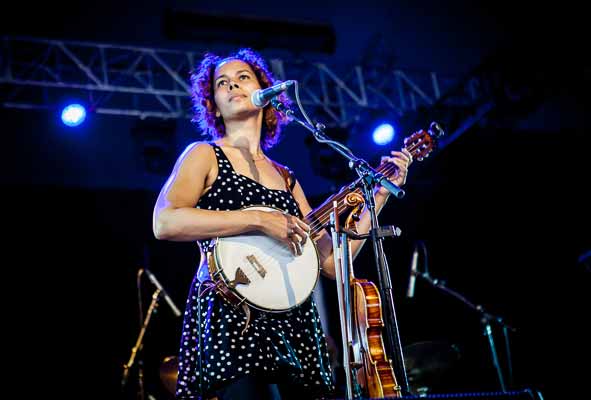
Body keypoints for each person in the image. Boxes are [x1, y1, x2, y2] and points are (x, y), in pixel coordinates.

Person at [152, 47, 413, 400]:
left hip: (293, 318)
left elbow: (332, 264)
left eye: (243, 78)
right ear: (212, 104)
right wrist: (259, 220)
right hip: (233, 311)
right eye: (222, 83)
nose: (233, 86)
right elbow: (165, 222)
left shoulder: (286, 178)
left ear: (265, 93)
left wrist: (376, 198)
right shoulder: (203, 154)